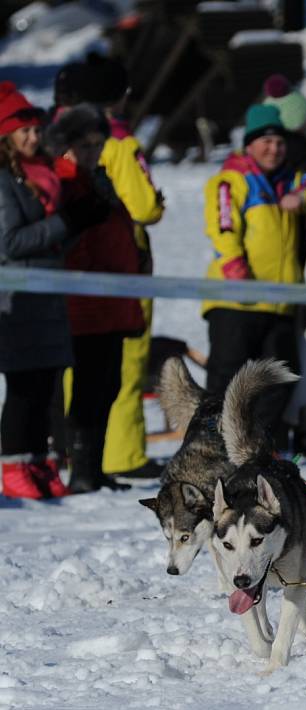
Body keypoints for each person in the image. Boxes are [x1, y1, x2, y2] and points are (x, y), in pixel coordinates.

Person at [56, 52, 167, 480]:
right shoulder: (119, 141)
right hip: (120, 258)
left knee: (80, 366)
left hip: (82, 260)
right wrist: (155, 202)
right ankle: (122, 455)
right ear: (118, 97)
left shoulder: (63, 137)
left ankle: (81, 455)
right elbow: (143, 206)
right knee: (124, 360)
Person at [201, 104, 306, 433]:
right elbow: (223, 225)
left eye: (279, 143)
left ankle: (258, 452)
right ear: (250, 144)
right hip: (237, 301)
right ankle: (212, 450)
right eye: (266, 142)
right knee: (226, 384)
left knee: (279, 381)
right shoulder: (232, 180)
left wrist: (302, 196)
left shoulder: (291, 180)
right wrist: (235, 265)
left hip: (279, 302)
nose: (273, 149)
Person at [0, 82, 98, 499]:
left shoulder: (40, 177)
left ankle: (40, 461)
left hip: (49, 296)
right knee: (23, 387)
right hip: (19, 300)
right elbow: (10, 243)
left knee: (45, 385)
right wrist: (65, 223)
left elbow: (51, 242)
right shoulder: (3, 182)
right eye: (24, 131)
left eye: (37, 130)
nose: (34, 138)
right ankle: (13, 464)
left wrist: (77, 224)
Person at [45, 104, 145, 493]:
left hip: (113, 300)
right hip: (85, 303)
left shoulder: (96, 180)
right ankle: (82, 469)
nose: (92, 152)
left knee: (109, 385)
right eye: (83, 145)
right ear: (66, 146)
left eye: (97, 144)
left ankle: (95, 466)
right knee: (87, 389)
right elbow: (69, 242)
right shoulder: (64, 182)